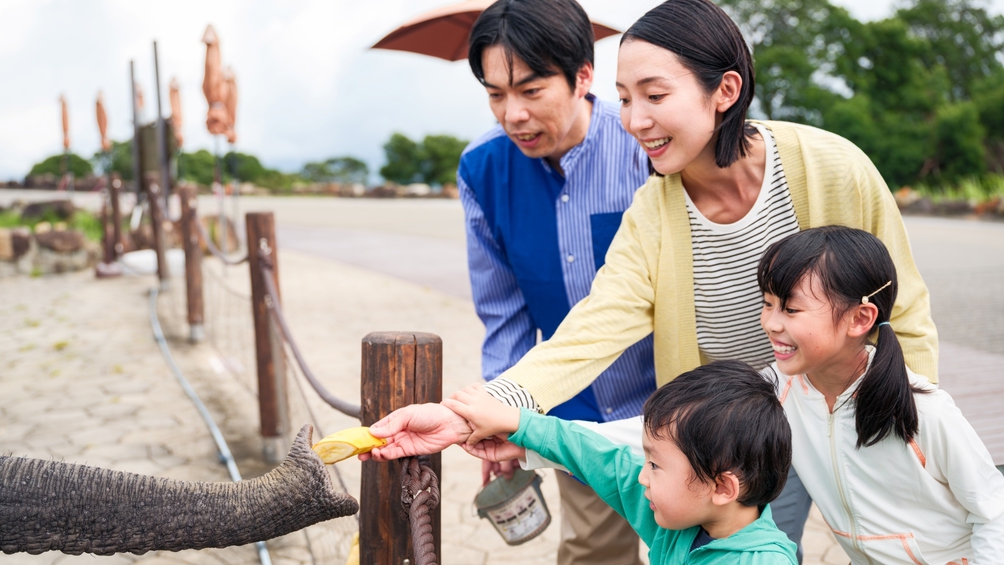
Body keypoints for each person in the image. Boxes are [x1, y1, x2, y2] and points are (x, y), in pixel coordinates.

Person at [454, 0, 938, 560]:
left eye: (655, 96)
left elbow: (902, 310)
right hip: (735, 435)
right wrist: (485, 406)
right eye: (628, 98)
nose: (634, 120)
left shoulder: (832, 168)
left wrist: (915, 424)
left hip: (850, 414)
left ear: (725, 90)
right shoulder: (651, 211)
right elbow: (593, 327)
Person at [456, 0, 654, 562]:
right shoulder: (482, 170)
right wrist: (500, 415)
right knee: (594, 551)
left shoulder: (646, 146)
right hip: (577, 412)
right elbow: (504, 314)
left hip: (679, 398)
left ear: (583, 76)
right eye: (495, 94)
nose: (512, 113)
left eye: (531, 90)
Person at [368, 362, 798, 564]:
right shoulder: (687, 520)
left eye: (655, 465)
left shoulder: (762, 562)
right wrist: (517, 423)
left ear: (722, 487)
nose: (640, 476)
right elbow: (601, 459)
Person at [755, 226, 1004, 563]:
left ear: (859, 319)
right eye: (767, 304)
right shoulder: (774, 393)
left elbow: (994, 514)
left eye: (791, 309)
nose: (770, 323)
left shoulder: (924, 411)